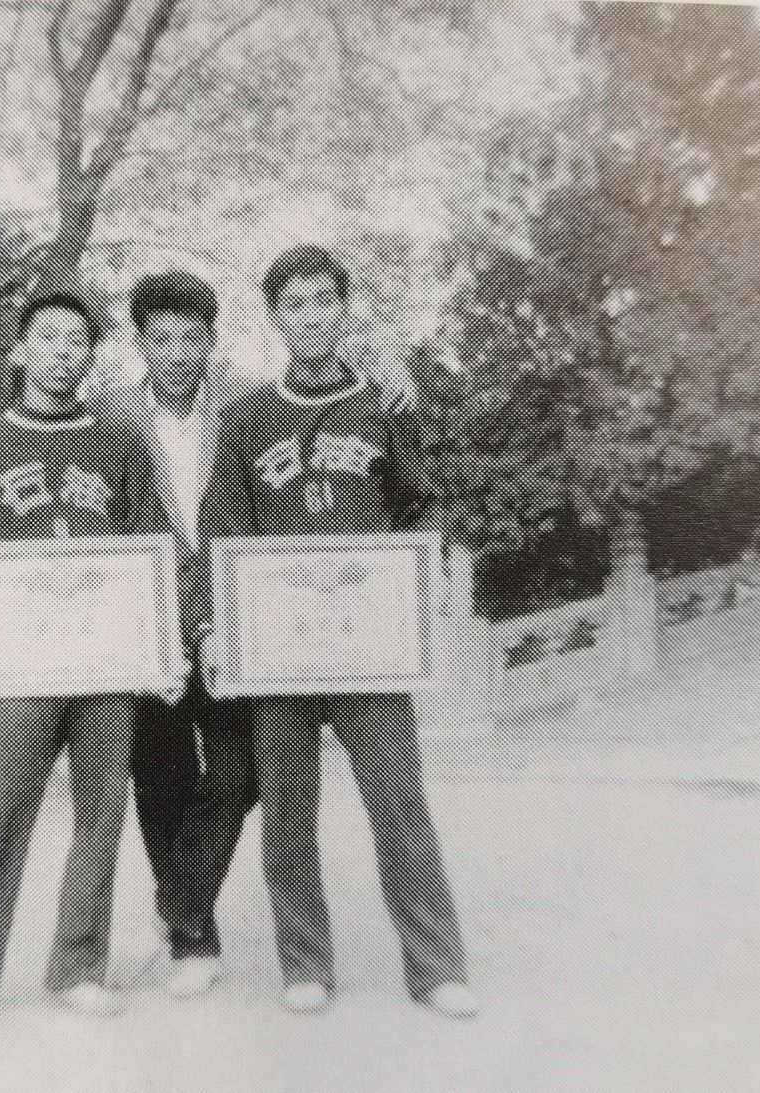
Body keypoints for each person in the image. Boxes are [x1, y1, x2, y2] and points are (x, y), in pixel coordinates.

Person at [0, 269, 419, 1000]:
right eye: (159, 339)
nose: (176, 353)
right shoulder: (109, 419)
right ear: (136, 344)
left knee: (243, 771)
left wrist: (393, 385)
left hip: (237, 617)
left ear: (212, 342)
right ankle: (189, 940)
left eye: (191, 338)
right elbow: (22, 473)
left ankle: (180, 904)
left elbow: (331, 429)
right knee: (155, 778)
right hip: (136, 625)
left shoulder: (247, 408)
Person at [195, 244, 479, 1019]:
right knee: (288, 810)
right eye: (295, 304)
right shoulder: (244, 420)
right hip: (280, 644)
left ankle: (436, 966)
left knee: (399, 801)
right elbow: (221, 530)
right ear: (275, 318)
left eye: (325, 300)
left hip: (368, 639)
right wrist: (213, 625)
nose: (312, 316)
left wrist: (432, 565)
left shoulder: (386, 404)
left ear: (344, 309)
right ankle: (305, 962)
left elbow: (419, 502)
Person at [0, 292, 185, 1031]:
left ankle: (78, 965)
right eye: (47, 337)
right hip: (20, 661)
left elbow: (152, 546)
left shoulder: (122, 441)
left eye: (75, 341)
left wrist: (160, 644)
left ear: (91, 357)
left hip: (104, 656)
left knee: (100, 813)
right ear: (20, 351)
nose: (61, 351)